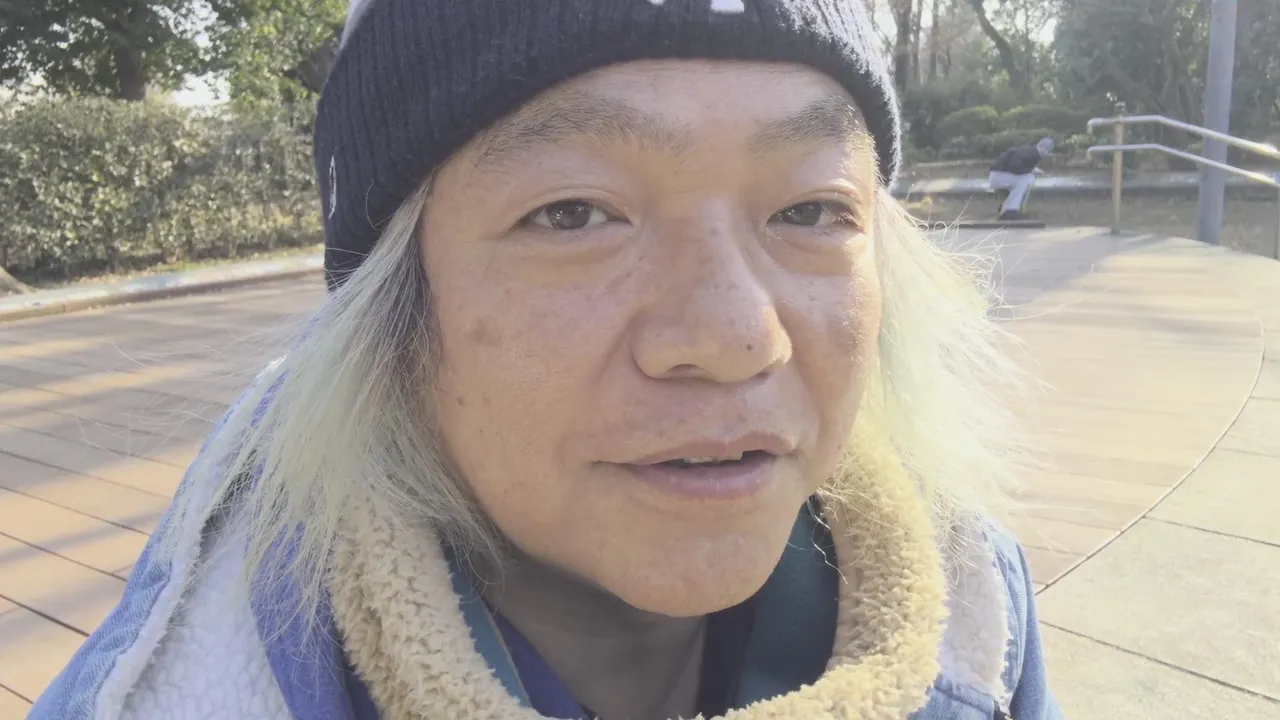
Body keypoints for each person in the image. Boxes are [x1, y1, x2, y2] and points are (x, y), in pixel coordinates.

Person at [31, 1, 1063, 718]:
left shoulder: (975, 617)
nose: (735, 336)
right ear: (389, 315)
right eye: (572, 214)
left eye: (809, 210)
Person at [989, 137, 1055, 220]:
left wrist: (1033, 170)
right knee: (1025, 180)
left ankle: (1007, 207)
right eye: (1047, 151)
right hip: (998, 176)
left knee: (1027, 179)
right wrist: (1031, 171)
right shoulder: (1033, 154)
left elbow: (1019, 164)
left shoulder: (1031, 152)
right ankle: (1009, 210)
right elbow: (1014, 166)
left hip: (999, 175)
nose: (1046, 154)